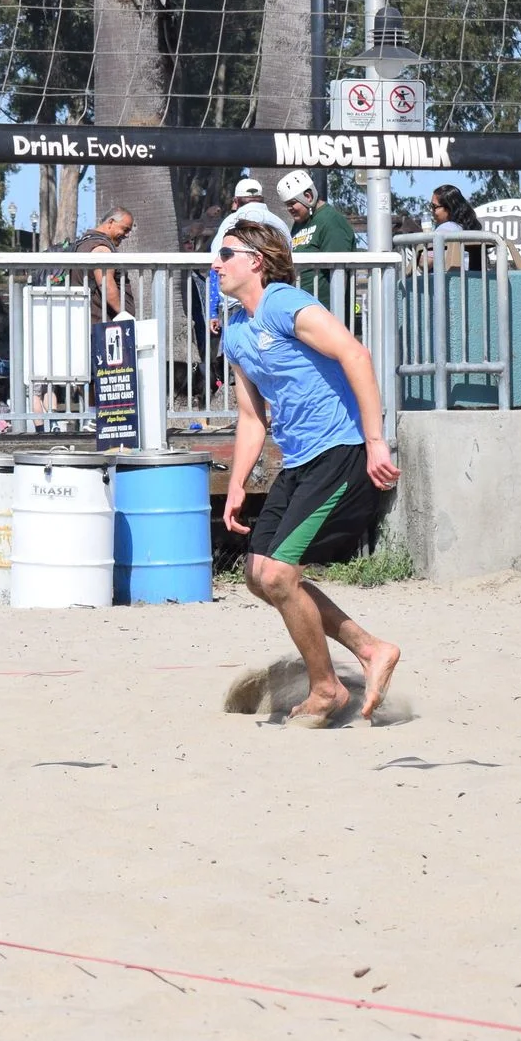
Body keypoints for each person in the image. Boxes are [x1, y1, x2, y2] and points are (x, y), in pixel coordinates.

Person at [214, 220, 403, 727]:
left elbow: (355, 354)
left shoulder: (283, 302)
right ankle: (370, 649)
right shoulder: (234, 331)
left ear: (255, 260)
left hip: (339, 449)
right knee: (258, 576)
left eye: (225, 253)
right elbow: (253, 417)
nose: (216, 264)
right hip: (298, 460)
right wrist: (236, 485)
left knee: (278, 574)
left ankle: (326, 689)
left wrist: (375, 441)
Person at [279, 170, 359, 309]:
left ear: (308, 197)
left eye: (292, 203)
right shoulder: (300, 223)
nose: (289, 209)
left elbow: (340, 272)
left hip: (324, 311)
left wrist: (335, 314)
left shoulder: (332, 221)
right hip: (300, 307)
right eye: (287, 204)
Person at [71, 206, 136, 318]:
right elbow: (106, 285)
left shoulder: (84, 242)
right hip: (102, 324)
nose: (127, 235)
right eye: (125, 229)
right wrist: (123, 315)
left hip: (91, 321)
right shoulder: (101, 247)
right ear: (111, 222)